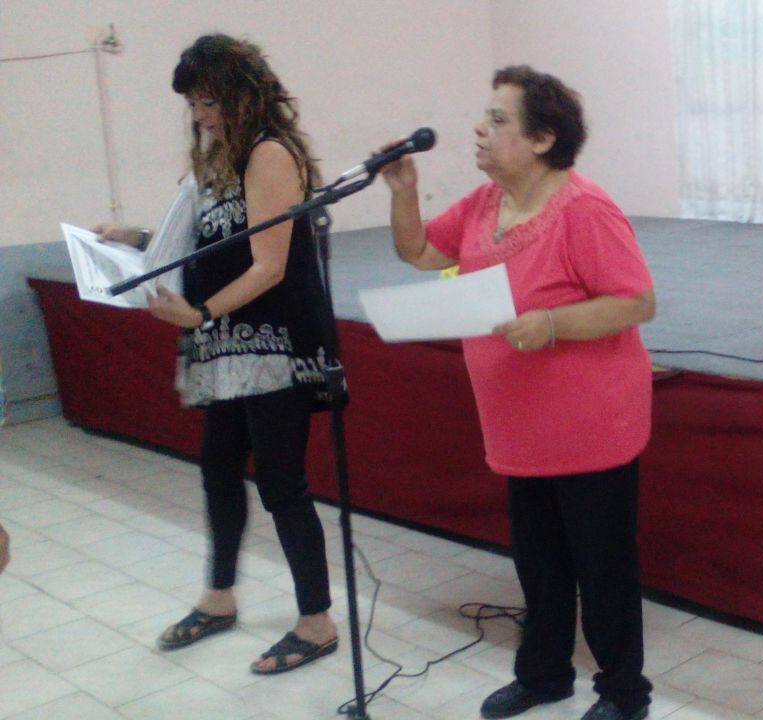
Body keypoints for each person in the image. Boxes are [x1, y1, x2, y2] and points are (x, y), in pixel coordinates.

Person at [378, 65, 656, 720]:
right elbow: (420, 252)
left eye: (498, 119)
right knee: (539, 565)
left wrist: (552, 324)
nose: (480, 128)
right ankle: (544, 675)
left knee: (603, 571)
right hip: (520, 427)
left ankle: (624, 694)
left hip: (590, 428)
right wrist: (403, 191)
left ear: (541, 138)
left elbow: (637, 302)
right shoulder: (484, 204)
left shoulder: (584, 209)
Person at [94, 34, 337, 675]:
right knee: (218, 471)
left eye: (209, 101)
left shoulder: (268, 153)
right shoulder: (217, 161)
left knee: (282, 485)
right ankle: (219, 598)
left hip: (271, 347)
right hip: (225, 349)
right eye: (194, 104)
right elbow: (210, 242)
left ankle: (316, 622)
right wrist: (134, 238)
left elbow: (268, 266)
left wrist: (201, 312)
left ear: (242, 95)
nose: (201, 115)